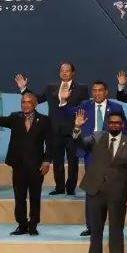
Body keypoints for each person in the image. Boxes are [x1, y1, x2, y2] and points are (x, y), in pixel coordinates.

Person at [72, 110, 127, 253]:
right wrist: (77, 128)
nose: (114, 125)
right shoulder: (97, 137)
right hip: (95, 191)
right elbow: (81, 144)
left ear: (122, 125)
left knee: (116, 229)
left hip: (118, 193)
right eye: (111, 123)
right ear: (107, 124)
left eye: (118, 123)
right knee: (95, 230)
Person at [15, 62, 89, 196]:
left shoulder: (81, 89)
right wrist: (24, 89)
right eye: (62, 70)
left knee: (73, 162)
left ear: (73, 73)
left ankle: (71, 188)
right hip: (54, 131)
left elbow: (84, 108)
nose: (64, 73)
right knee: (57, 162)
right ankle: (59, 187)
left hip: (73, 131)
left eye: (67, 71)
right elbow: (37, 99)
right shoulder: (51, 88)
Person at [67, 81, 127, 236]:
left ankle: (114, 226)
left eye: (100, 90)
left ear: (106, 91)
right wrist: (63, 101)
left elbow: (124, 129)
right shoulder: (84, 106)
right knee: (92, 189)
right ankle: (91, 226)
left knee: (112, 188)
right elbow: (66, 114)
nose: (97, 93)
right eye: (94, 91)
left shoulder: (116, 108)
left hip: (111, 151)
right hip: (91, 151)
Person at [0, 90, 51, 236]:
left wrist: (47, 161)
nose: (25, 104)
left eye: (29, 102)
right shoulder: (15, 117)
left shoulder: (44, 120)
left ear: (35, 104)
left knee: (35, 197)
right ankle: (22, 225)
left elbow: (51, 143)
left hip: (37, 166)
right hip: (19, 165)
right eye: (23, 102)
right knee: (19, 197)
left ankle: (33, 225)